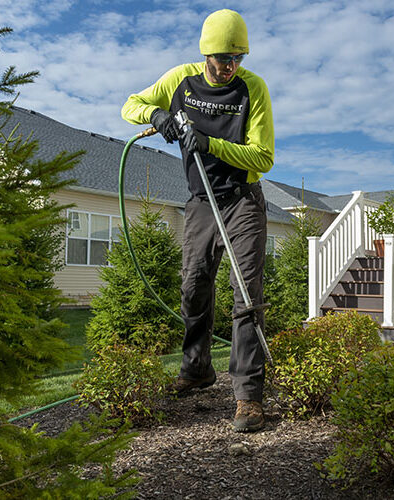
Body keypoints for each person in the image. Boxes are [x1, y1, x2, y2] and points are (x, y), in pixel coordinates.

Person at [121, 8, 274, 432]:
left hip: (242, 200)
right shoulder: (180, 81)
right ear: (206, 54)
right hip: (200, 201)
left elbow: (263, 156)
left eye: (237, 58)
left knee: (245, 294)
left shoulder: (251, 89)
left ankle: (248, 395)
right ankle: (197, 369)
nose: (230, 67)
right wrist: (156, 117)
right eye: (223, 58)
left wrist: (211, 143)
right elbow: (129, 105)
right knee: (193, 284)